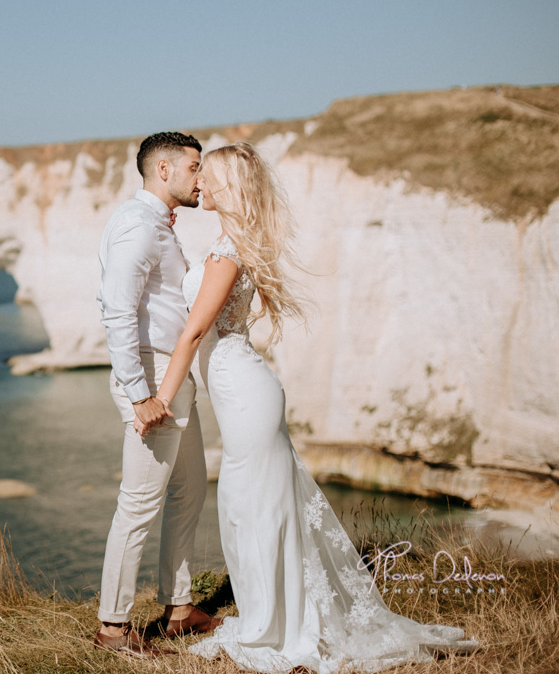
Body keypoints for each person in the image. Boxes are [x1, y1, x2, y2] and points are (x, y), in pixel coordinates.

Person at [154, 142, 478, 671]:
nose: (200, 186)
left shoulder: (227, 250)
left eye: (207, 177)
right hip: (243, 388)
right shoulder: (229, 243)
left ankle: (276, 626)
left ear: (229, 186)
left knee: (253, 506)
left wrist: (161, 400)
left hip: (243, 391)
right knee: (253, 506)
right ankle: (275, 616)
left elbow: (193, 333)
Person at [92, 132, 222, 657]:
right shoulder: (136, 228)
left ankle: (178, 607)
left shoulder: (158, 227)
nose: (202, 179)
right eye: (195, 168)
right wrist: (140, 392)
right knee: (139, 504)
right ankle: (112, 627)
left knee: (190, 488)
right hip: (151, 378)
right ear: (163, 170)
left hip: (172, 376)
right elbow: (118, 311)